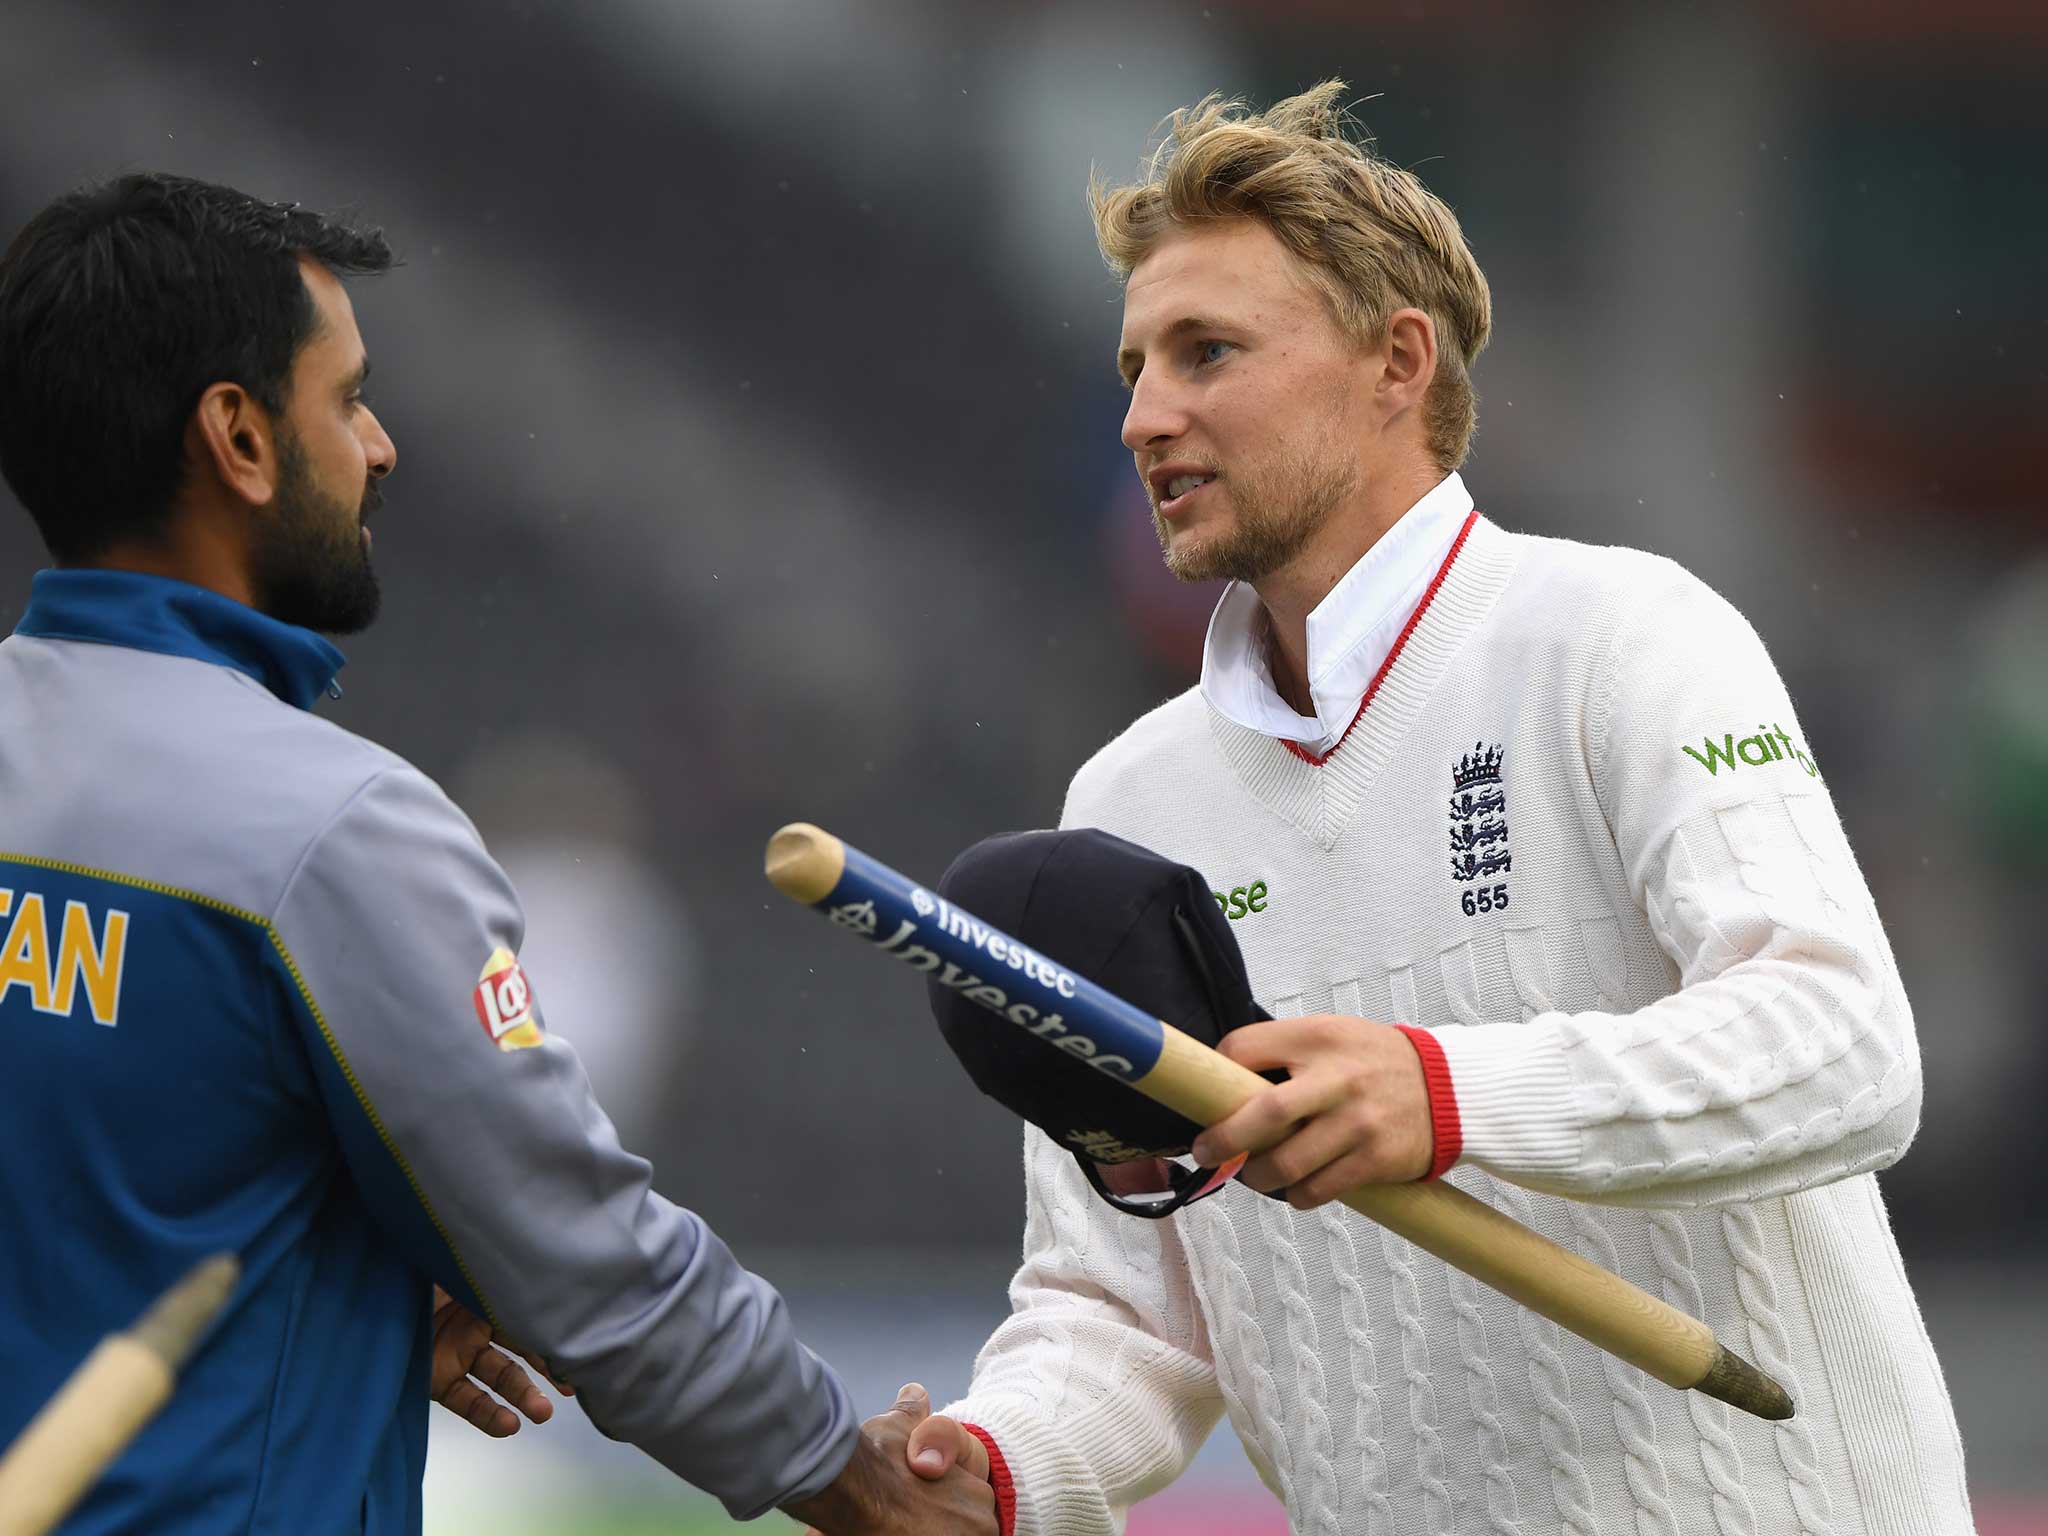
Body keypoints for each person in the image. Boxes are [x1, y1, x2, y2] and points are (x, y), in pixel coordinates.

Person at [892, 81, 1974, 1534]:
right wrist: (1000, 1459)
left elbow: (1843, 1047)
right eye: (1138, 364)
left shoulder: (1621, 637)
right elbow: (1120, 1306)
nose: (1148, 414)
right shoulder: (1128, 800)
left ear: (1398, 361)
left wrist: (1451, 1095)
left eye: (1208, 351)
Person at [0, 172, 994, 1536]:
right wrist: (864, 1485)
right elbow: (588, 1259)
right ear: (237, 436)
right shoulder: (331, 832)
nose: (384, 445)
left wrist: (329, 1274)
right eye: (345, 399)